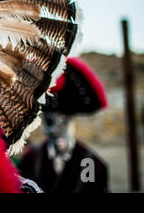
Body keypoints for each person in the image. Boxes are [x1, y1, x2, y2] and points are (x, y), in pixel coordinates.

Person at [18, 57, 109, 193]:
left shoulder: (89, 163)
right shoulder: (30, 159)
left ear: (71, 120)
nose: (55, 130)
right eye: (50, 121)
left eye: (62, 121)